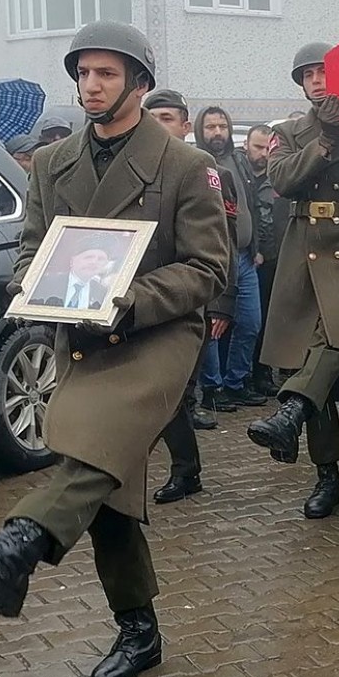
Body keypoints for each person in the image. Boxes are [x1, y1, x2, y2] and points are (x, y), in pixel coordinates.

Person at [0, 21, 229, 677]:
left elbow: (209, 268)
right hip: (80, 338)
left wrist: (131, 297)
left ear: (139, 82)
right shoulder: (55, 162)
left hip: (156, 336)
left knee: (93, 452)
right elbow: (31, 246)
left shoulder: (184, 166)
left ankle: (17, 547)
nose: (90, 86)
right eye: (83, 73)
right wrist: (28, 288)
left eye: (105, 73)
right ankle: (138, 630)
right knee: (105, 486)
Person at [246, 41, 339, 519]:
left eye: (322, 71)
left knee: (333, 346)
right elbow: (284, 181)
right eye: (307, 74)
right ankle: (327, 473)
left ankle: (290, 411)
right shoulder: (286, 132)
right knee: (313, 366)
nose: (316, 80)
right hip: (305, 249)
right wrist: (325, 141)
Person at [143, 86, 239, 501]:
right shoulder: (139, 171)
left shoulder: (206, 172)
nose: (159, 126)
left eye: (168, 119)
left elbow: (224, 246)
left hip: (192, 303)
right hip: (144, 302)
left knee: (173, 392)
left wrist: (222, 304)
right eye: (153, 118)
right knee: (160, 395)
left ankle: (186, 471)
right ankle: (184, 469)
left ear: (185, 126)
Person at [196, 106, 265, 409]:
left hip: (246, 258)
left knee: (250, 322)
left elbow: (249, 207)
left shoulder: (239, 161)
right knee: (212, 325)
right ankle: (213, 389)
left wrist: (256, 246)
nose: (218, 133)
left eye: (222, 126)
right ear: (200, 130)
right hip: (215, 257)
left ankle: (237, 381)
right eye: (211, 127)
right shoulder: (196, 164)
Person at [244, 124, 287, 398]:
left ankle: (263, 372)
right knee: (249, 322)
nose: (262, 154)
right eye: (257, 147)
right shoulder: (240, 177)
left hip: (275, 260)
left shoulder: (280, 179)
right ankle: (246, 375)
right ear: (246, 145)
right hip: (250, 259)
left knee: (270, 320)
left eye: (266, 148)